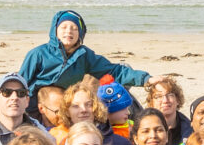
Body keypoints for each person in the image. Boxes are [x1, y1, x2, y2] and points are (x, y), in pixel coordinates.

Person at [19, 10, 152, 93]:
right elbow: (21, 82)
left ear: (80, 34)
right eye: (63, 27)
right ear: (55, 31)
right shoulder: (38, 54)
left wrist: (146, 79)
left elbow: (114, 71)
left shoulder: (84, 55)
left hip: (64, 103)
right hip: (34, 102)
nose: (68, 31)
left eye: (74, 28)